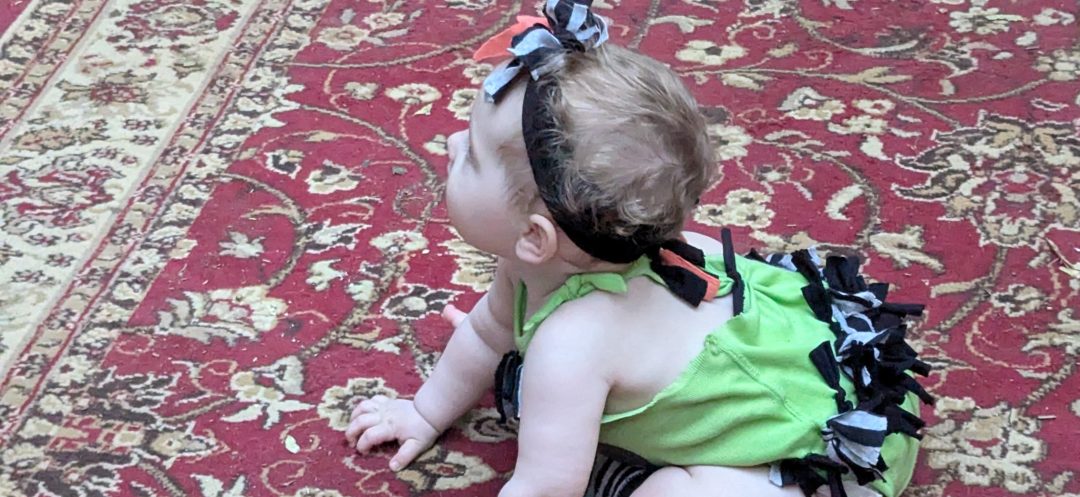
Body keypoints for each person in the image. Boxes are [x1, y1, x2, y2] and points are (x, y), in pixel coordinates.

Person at [344, 2, 933, 496]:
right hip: (812, 376)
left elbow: (546, 486)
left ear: (535, 237)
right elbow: (485, 331)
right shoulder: (539, 266)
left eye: (471, 156)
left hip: (827, 457)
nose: (450, 143)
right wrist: (423, 412)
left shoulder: (572, 344)